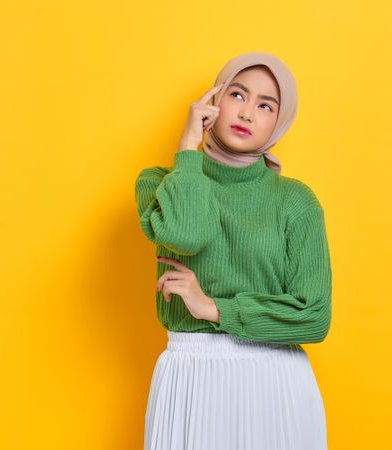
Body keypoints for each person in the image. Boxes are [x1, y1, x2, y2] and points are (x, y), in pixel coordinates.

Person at [134, 52, 332, 450]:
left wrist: (215, 308)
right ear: (213, 101)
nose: (246, 113)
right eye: (236, 95)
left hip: (274, 383)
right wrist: (189, 146)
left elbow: (314, 317)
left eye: (265, 105)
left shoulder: (295, 201)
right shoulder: (161, 183)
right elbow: (188, 234)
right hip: (190, 377)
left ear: (280, 121)